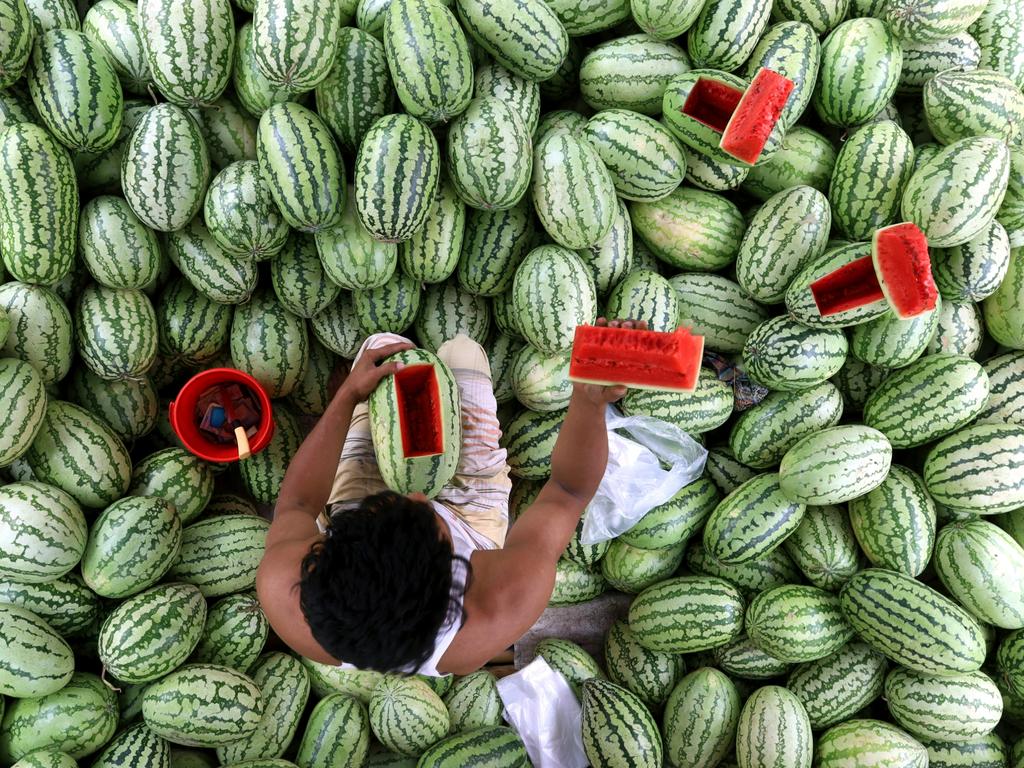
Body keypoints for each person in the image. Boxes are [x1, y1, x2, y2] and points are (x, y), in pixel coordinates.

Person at [256, 320, 644, 676]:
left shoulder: (284, 589)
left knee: (386, 347)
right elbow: (567, 491)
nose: (418, 495)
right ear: (457, 587)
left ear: (321, 549)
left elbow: (299, 504)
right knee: (463, 351)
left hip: (370, 518)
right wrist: (590, 402)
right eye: (425, 515)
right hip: (471, 518)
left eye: (397, 504)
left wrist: (345, 397)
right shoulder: (498, 604)